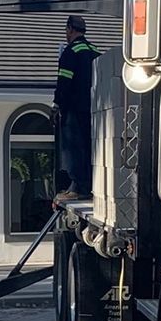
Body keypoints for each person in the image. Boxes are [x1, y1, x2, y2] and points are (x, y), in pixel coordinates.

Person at [54, 14, 99, 199]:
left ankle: (76, 188)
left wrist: (57, 105)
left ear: (70, 29)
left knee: (73, 148)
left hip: (73, 108)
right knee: (88, 147)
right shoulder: (94, 51)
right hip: (94, 108)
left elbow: (64, 81)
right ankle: (88, 185)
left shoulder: (71, 51)